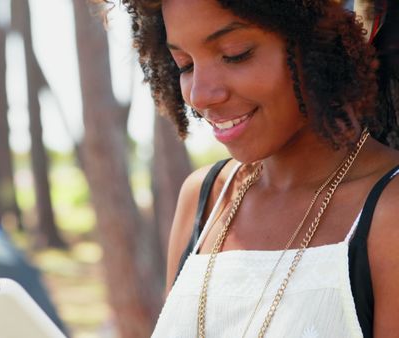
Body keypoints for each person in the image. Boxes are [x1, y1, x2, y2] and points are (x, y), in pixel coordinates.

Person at [105, 0, 399, 336]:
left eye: (235, 54)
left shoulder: (388, 215)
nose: (200, 95)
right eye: (184, 64)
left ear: (318, 39)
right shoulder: (205, 198)